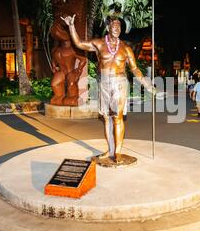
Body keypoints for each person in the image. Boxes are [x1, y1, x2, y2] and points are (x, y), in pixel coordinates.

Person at [62, 14, 154, 163]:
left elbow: (135, 69)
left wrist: (146, 84)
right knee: (106, 118)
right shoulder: (99, 44)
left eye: (119, 26)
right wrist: (71, 26)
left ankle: (117, 152)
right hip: (104, 82)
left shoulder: (126, 48)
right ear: (108, 27)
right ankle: (110, 150)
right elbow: (79, 43)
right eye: (114, 26)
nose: (117, 28)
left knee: (117, 118)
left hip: (119, 83)